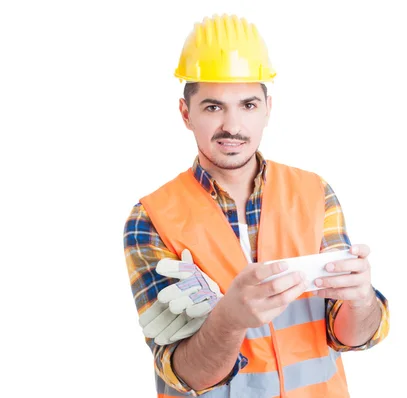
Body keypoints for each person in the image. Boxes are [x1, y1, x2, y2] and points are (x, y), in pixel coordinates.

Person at [123, 13, 390, 398]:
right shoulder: (151, 218)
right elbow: (184, 374)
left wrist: (362, 299)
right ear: (186, 114)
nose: (233, 125)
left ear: (267, 108)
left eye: (247, 105)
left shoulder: (314, 192)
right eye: (213, 107)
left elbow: (350, 336)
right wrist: (228, 321)